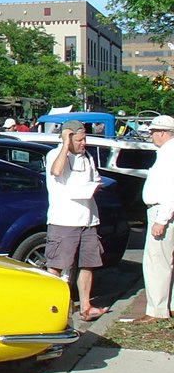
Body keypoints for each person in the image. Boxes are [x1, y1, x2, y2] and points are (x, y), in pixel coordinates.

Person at [45, 119, 109, 322]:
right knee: (57, 265)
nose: (83, 143)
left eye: (85, 139)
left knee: (87, 264)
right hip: (64, 221)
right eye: (79, 140)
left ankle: (86, 306)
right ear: (68, 137)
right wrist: (65, 145)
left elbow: (96, 179)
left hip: (88, 219)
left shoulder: (88, 157)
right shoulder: (55, 154)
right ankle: (52, 308)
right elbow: (56, 171)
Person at [128, 115, 174, 323]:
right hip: (163, 210)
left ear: (163, 133)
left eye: (153, 132)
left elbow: (171, 189)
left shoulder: (169, 155)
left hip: (162, 210)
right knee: (165, 261)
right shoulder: (167, 153)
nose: (151, 135)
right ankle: (168, 305)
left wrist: (162, 219)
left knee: (157, 262)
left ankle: (156, 310)